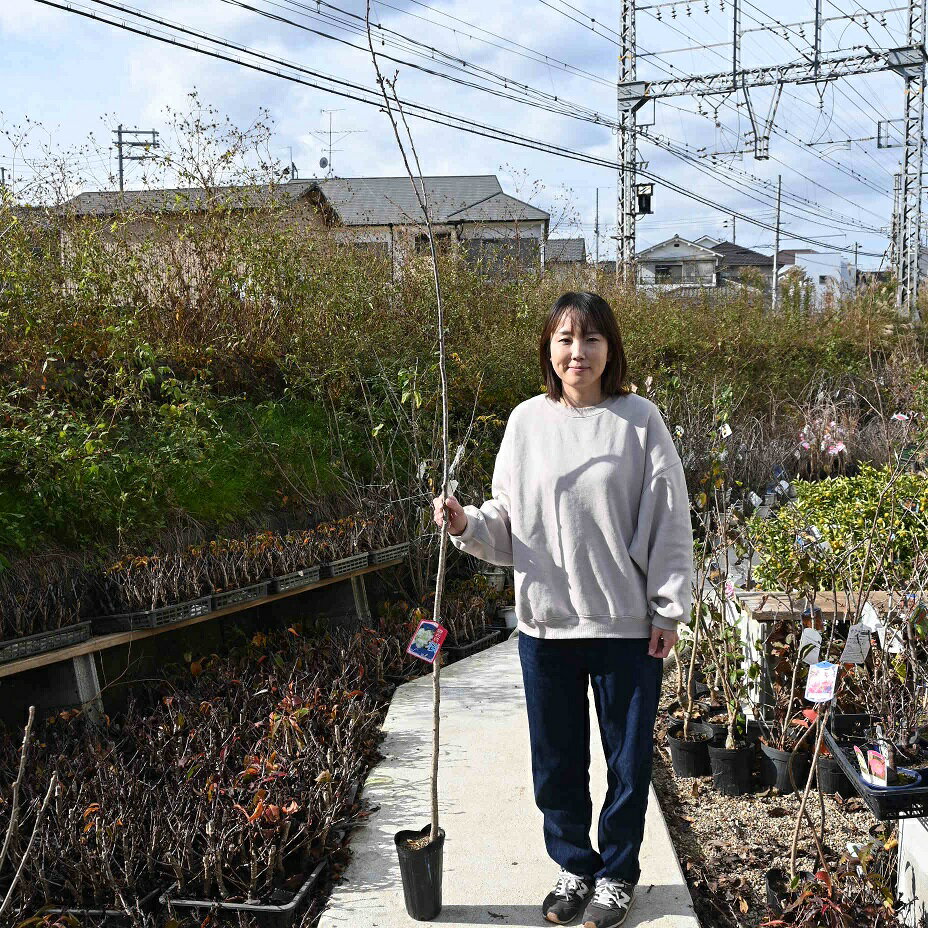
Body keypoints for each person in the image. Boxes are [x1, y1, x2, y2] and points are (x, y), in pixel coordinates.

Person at [432, 292, 693, 928]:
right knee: (556, 759)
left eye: (592, 339)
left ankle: (617, 875)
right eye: (565, 339)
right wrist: (467, 523)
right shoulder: (526, 423)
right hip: (546, 624)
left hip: (625, 625)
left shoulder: (639, 421)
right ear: (549, 350)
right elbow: (506, 519)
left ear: (611, 348)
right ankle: (574, 865)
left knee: (627, 761)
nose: (578, 352)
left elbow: (669, 519)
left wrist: (666, 610)